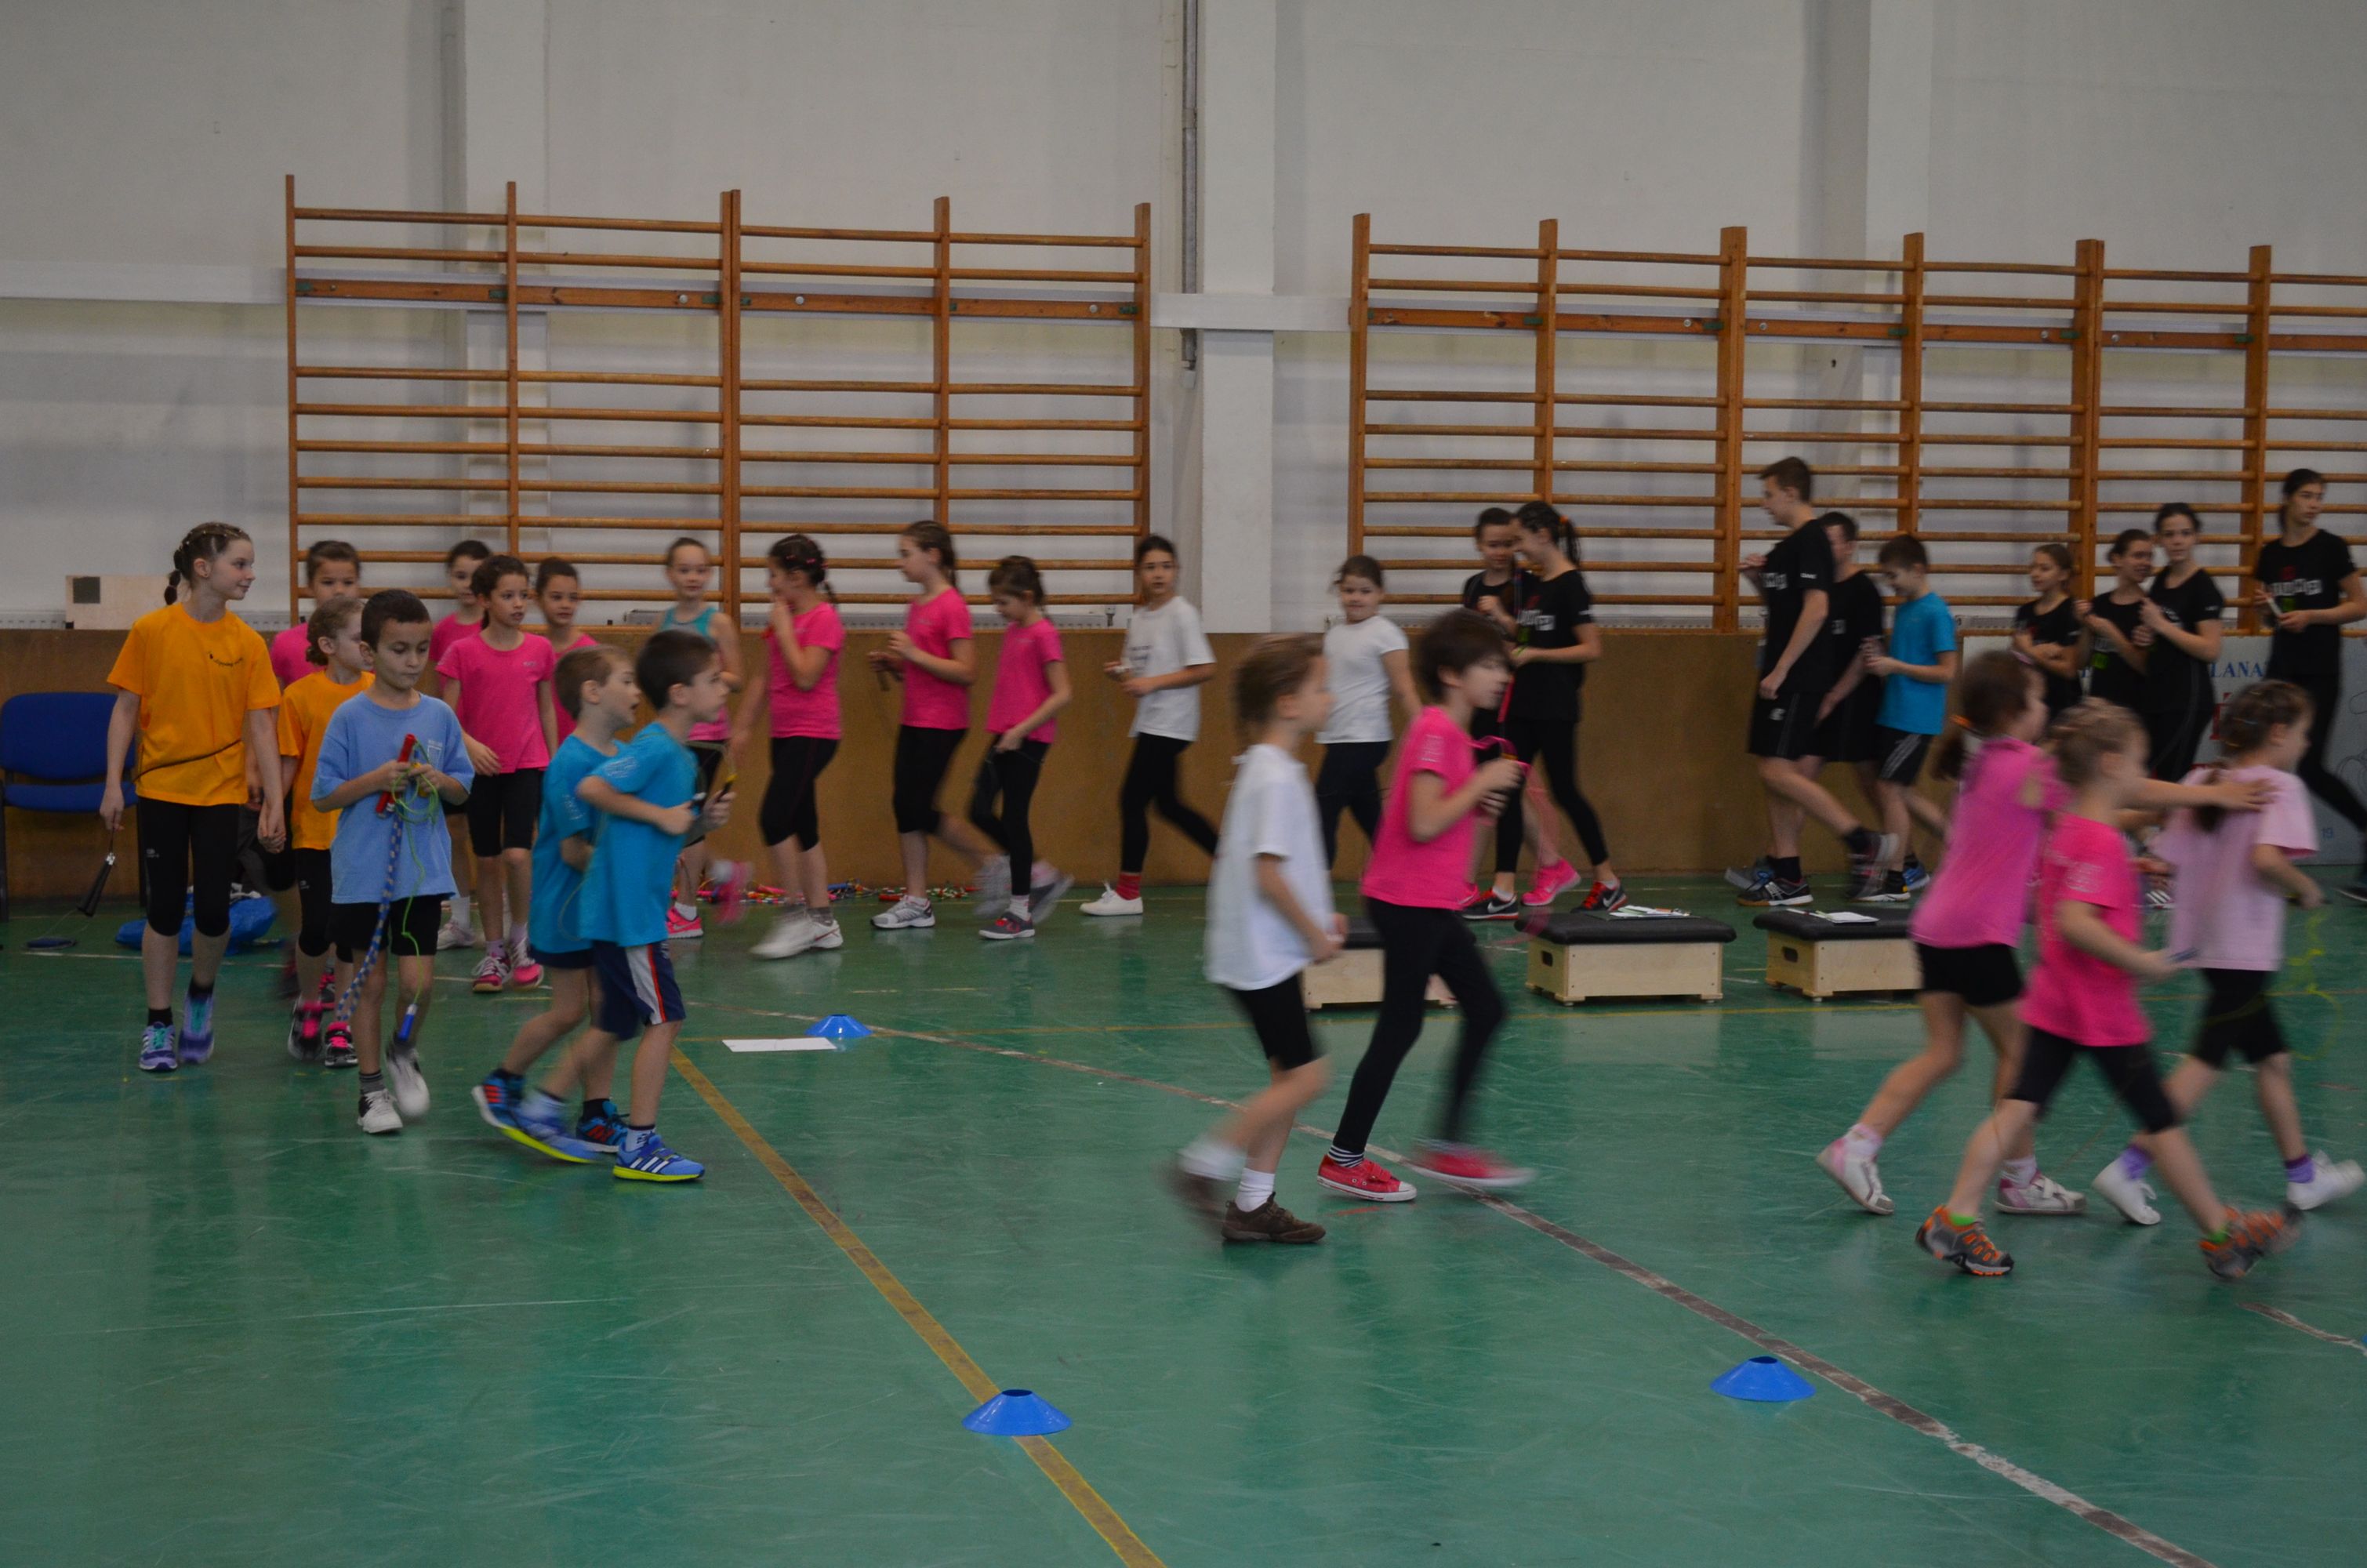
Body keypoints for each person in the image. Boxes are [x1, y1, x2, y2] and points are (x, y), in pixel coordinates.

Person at [1821, 658, 2271, 1221]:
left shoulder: (1982, 762)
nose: (2045, 709)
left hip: (1935, 926)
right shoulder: (2030, 768)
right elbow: (2119, 788)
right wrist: (2211, 797)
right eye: (2037, 700)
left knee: (1944, 1053)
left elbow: (2089, 815)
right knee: (2022, 1062)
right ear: (2014, 712)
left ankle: (1858, 1145)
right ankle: (2017, 1180)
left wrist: (2138, 832)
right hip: (1977, 936)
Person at [1915, 701, 2300, 1281]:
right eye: (2140, 762)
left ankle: (1955, 1216)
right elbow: (2075, 920)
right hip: (2100, 1012)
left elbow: (2070, 896)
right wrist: (2140, 961)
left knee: (2015, 1109)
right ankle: (2222, 1236)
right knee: (2161, 1121)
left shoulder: (2065, 828)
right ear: (2112, 764)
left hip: (2052, 1002)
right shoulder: (2098, 841)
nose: (2143, 774)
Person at [2093, 680, 2365, 1222]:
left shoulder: (2203, 780)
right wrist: (2304, 888)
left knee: (2273, 1060)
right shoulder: (2277, 786)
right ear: (2278, 733)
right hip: (2243, 950)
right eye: (2304, 733)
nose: (2307, 744)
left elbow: (2170, 854)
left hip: (2209, 945)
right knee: (2203, 1064)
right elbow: (2266, 860)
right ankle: (2129, 1166)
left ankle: (2302, 1177)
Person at [1318, 609, 1532, 1201]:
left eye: (1502, 666)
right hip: (1406, 901)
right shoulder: (1436, 730)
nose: (1501, 676)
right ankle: (1347, 1157)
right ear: (1450, 674)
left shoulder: (1456, 739)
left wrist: (1479, 806)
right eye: (1488, 666)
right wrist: (1481, 784)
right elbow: (1421, 821)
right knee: (1403, 1025)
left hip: (1427, 900)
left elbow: (1452, 837)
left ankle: (1446, 1146)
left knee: (1485, 1009)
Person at [1171, 635, 1342, 1243]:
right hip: (1262, 958)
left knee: (1286, 1078)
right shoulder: (1273, 777)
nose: (1330, 697)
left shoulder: (1267, 769)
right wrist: (1312, 934)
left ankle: (1252, 1205)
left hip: (1258, 951)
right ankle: (1202, 1164)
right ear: (1288, 703)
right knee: (1307, 1079)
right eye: (1321, 686)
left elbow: (1277, 866)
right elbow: (1266, 873)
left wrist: (1318, 917)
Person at [100, 522, 285, 1073]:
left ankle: (201, 994)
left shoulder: (248, 643)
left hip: (220, 794)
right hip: (160, 789)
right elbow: (125, 710)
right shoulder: (152, 630)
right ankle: (158, 1022)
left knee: (211, 911)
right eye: (240, 564)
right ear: (203, 568)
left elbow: (263, 726)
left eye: (251, 565)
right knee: (161, 908)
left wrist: (275, 801)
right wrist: (112, 783)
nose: (250, 575)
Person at [575, 630, 735, 1181]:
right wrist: (662, 815)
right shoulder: (654, 747)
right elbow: (594, 789)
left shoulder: (679, 758)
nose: (724, 687)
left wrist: (700, 822)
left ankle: (598, 1120)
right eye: (713, 680)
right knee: (665, 1019)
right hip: (628, 917)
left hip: (635, 913)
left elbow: (665, 831)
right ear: (680, 693)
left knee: (631, 1019)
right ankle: (639, 1145)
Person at [310, 590, 473, 1134]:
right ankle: (371, 1090)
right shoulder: (349, 717)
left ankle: (404, 1049)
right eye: (399, 650)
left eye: (422, 649)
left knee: (418, 983)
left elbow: (462, 789)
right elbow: (323, 795)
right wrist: (376, 780)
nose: (413, 661)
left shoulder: (440, 716)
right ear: (368, 652)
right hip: (362, 874)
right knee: (371, 982)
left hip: (421, 875)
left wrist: (438, 780)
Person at [473, 644, 637, 1161]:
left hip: (601, 908)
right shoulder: (570, 763)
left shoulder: (622, 755)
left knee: (605, 1007)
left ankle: (596, 1114)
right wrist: (631, 871)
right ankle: (502, 1081)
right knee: (570, 1010)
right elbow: (573, 850)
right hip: (567, 909)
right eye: (626, 681)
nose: (637, 691)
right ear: (593, 693)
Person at [1738, 459, 1894, 907]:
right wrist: (1758, 581)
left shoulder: (1811, 541)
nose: (1764, 503)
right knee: (1774, 774)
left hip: (1798, 674)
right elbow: (1785, 608)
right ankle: (1788, 875)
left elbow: (1817, 609)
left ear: (1791, 492)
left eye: (1769, 494)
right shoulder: (1788, 548)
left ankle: (1862, 840)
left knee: (1775, 771)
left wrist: (1783, 668)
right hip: (1783, 670)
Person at [1487, 503, 1622, 911]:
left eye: (1520, 540)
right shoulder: (1535, 586)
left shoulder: (1570, 585)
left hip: (1555, 707)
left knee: (1566, 791)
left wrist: (1536, 655)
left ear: (1543, 536)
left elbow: (1591, 648)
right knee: (1507, 789)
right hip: (1523, 705)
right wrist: (1506, 627)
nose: (1516, 549)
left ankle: (1608, 880)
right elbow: (1529, 638)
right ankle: (1503, 891)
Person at [868, 521, 1000, 930]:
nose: (900, 562)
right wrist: (897, 664)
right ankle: (917, 900)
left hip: (943, 723)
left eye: (906, 553)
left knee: (917, 808)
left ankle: (993, 865)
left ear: (933, 555)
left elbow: (966, 671)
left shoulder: (951, 606)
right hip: (915, 719)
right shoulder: (917, 606)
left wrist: (914, 654)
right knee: (905, 808)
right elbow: (924, 669)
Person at [437, 552, 557, 993]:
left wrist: (554, 760)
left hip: (527, 764)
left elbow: (545, 708)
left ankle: (520, 940)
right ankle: (493, 952)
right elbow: (445, 715)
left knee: (518, 855)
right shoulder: (462, 652)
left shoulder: (540, 650)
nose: (519, 603)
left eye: (524, 595)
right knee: (486, 860)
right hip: (480, 769)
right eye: (508, 596)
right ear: (485, 599)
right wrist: (469, 746)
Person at [1083, 535, 1220, 917]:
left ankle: (1129, 894)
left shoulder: (1182, 614)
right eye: (1150, 567)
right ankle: (1234, 864)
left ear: (1176, 571)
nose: (1159, 574)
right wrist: (1123, 673)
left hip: (1172, 722)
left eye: (1166, 566)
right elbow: (1139, 672)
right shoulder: (1140, 619)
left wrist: (1153, 684)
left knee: (1131, 801)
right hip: (1150, 721)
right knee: (1169, 805)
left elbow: (1204, 668)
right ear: (1138, 573)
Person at [2252, 469, 2367, 902]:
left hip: (2320, 672)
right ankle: (2269, 864)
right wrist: (2266, 609)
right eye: (2306, 495)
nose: (2314, 503)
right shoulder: (2269, 554)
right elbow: (2269, 616)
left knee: (2310, 767)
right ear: (2288, 498)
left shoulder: (2331, 548)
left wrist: (2313, 616)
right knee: (2267, 765)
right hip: (2281, 669)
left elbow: (2360, 605)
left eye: (2319, 496)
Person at [735, 535, 848, 961]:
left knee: (774, 818)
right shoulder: (783, 619)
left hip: (814, 734)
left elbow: (805, 676)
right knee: (804, 825)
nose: (770, 584)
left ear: (797, 577)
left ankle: (794, 916)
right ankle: (822, 921)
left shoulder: (824, 619)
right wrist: (743, 727)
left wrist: (784, 631)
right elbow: (765, 678)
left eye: (774, 576)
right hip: (784, 735)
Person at [276, 594, 372, 1065]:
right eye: (359, 638)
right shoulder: (299, 696)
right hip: (315, 831)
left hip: (365, 833)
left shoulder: (381, 690)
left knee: (350, 934)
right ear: (329, 645)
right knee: (316, 928)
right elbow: (289, 763)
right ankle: (311, 1002)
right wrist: (273, 811)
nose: (369, 646)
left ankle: (342, 1023)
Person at [1459, 506, 1560, 920]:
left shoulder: (1525, 587)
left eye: (1507, 544)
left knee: (1497, 789)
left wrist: (1502, 620)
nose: (1500, 552)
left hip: (1512, 698)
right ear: (1478, 545)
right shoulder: (1472, 586)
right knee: (1495, 790)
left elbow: (1529, 639)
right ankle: (1552, 864)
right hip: (1480, 698)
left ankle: (1471, 880)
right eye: (1492, 545)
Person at [969, 557, 1075, 940]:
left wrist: (1022, 730)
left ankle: (1020, 911)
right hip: (1005, 734)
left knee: (1015, 819)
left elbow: (1063, 693)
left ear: (1027, 598)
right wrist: (1008, 731)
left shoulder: (1044, 633)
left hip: (1029, 739)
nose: (997, 609)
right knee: (979, 810)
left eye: (1003, 602)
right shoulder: (1014, 630)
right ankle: (1040, 874)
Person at [655, 536, 747, 938]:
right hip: (674, 735)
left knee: (689, 821)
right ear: (670, 574)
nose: (692, 577)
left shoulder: (718, 623)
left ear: (709, 574)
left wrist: (701, 677)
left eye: (700, 570)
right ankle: (725, 872)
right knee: (678, 818)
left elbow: (737, 678)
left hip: (707, 736)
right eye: (684, 570)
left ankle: (687, 911)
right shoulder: (664, 621)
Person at [1861, 535, 1958, 899]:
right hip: (1894, 711)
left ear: (1917, 570)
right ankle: (1960, 842)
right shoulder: (1903, 610)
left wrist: (1896, 666)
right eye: (1886, 577)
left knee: (1890, 789)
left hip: (1915, 718)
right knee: (1900, 791)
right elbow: (1902, 660)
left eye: (1894, 575)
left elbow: (1947, 671)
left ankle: (1895, 878)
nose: (1891, 583)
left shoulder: (1935, 612)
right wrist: (1880, 658)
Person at [1314, 554, 1416, 866]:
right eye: (1349, 591)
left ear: (1380, 594)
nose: (1356, 598)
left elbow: (1404, 687)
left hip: (1365, 738)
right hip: (1338, 736)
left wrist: (1426, 729)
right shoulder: (1334, 635)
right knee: (1368, 812)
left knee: (1323, 807)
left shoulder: (1385, 632)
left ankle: (1315, 881)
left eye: (1365, 591)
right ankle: (1401, 873)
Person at [430, 538, 492, 952]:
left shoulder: (496, 629)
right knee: (454, 831)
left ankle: (506, 924)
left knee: (493, 841)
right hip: (454, 749)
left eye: (476, 576)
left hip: (492, 752)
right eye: (460, 575)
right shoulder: (442, 633)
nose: (468, 584)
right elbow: (435, 691)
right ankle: (460, 919)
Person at [2140, 503, 2224, 782]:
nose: (2177, 541)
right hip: (2158, 695)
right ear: (2159, 540)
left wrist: (2161, 626)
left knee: (2168, 779)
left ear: (2197, 537)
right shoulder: (2161, 580)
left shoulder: (2203, 588)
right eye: (2170, 534)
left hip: (2187, 699)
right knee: (2142, 773)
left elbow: (2210, 649)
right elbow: (2160, 632)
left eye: (2185, 533)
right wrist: (2147, 635)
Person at [2078, 527, 2155, 712]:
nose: (2145, 562)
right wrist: (2085, 627)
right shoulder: (2099, 604)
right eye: (2138, 556)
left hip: (2136, 710)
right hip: (2099, 708)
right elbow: (2081, 662)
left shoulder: (2151, 609)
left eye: (2149, 557)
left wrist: (2111, 633)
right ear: (2117, 559)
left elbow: (2146, 667)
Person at [270, 539, 361, 687]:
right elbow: (275, 698)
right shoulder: (285, 643)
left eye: (348, 582)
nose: (339, 590)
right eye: (328, 582)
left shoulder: (372, 644)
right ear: (310, 587)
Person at [2012, 543, 2083, 718]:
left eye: (2044, 569)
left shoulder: (2071, 611)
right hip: (2030, 701)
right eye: (2033, 567)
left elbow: (2069, 669)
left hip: (2063, 705)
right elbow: (2015, 656)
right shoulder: (2025, 612)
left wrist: (2030, 651)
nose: (2035, 574)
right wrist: (2043, 652)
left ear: (2063, 574)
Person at [534, 557, 598, 744]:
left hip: (579, 748)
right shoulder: (534, 650)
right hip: (541, 749)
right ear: (538, 599)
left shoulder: (589, 653)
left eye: (572, 598)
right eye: (556, 597)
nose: (565, 605)